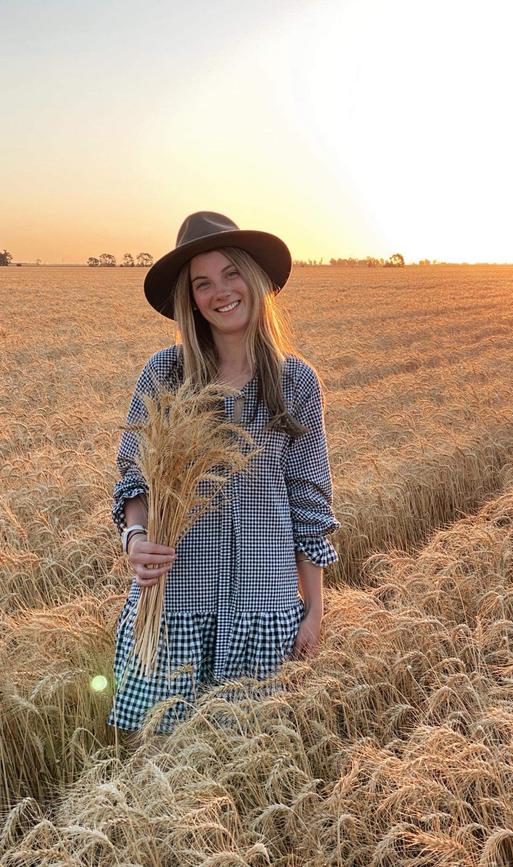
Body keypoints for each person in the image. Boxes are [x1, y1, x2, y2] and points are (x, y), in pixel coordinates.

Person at [108, 211, 340, 735]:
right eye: (203, 282)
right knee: (165, 771)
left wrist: (314, 611)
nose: (221, 292)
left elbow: (309, 505)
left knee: (250, 774)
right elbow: (133, 476)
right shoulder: (164, 373)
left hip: (265, 609)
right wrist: (135, 538)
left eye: (232, 273)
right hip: (173, 611)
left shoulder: (295, 382)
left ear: (255, 279)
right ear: (191, 300)